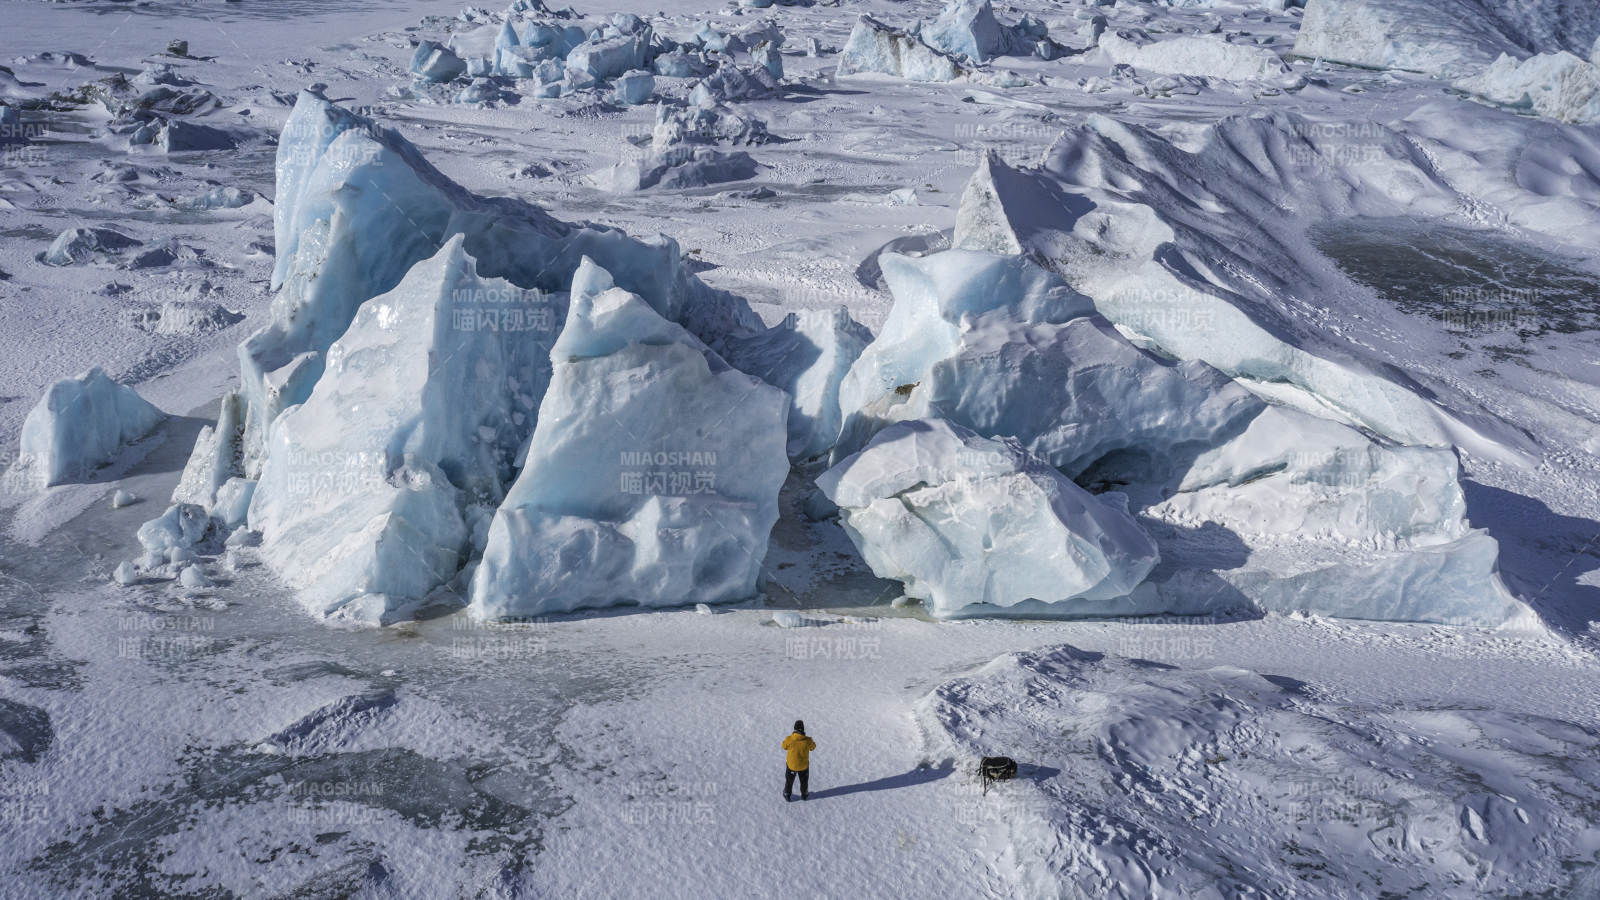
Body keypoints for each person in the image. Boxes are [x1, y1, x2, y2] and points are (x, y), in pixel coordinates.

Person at [782, 720, 815, 801]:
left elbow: (784, 746)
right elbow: (813, 747)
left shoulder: (789, 739)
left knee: (789, 781)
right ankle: (804, 794)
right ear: (803, 729)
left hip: (791, 766)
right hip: (803, 766)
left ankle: (787, 794)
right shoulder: (808, 740)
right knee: (804, 782)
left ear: (794, 728)